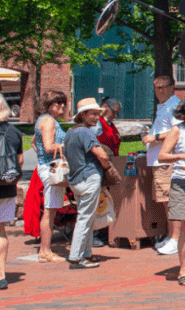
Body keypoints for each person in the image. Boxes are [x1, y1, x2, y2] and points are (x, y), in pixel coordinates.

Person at [63, 99, 121, 269]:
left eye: (98, 114)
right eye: (93, 114)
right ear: (83, 115)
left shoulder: (70, 132)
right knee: (85, 219)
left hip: (75, 179)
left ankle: (86, 253)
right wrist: (106, 167)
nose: (97, 117)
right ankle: (76, 257)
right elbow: (101, 154)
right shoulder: (86, 133)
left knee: (87, 218)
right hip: (88, 178)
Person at [142, 75, 180, 254]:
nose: (160, 91)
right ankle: (170, 236)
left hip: (166, 160)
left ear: (172, 87)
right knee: (165, 201)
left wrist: (154, 137)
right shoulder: (164, 106)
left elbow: (176, 131)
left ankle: (175, 239)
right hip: (159, 161)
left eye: (163, 87)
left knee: (170, 200)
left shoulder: (174, 105)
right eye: (157, 88)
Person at [159, 98, 185, 286]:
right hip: (183, 182)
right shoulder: (177, 130)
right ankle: (184, 268)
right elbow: (162, 156)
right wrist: (182, 156)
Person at [33, 90, 69, 263]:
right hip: (52, 169)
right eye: (57, 103)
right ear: (48, 105)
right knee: (50, 210)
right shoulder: (48, 121)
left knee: (51, 209)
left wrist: (40, 159)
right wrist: (64, 146)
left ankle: (45, 249)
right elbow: (48, 147)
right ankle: (45, 250)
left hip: (46, 166)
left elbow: (34, 142)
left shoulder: (44, 120)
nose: (61, 106)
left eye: (63, 102)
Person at [0, 96, 23, 290]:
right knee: (1, 230)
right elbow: (20, 161)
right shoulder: (14, 132)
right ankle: (1, 275)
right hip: (6, 187)